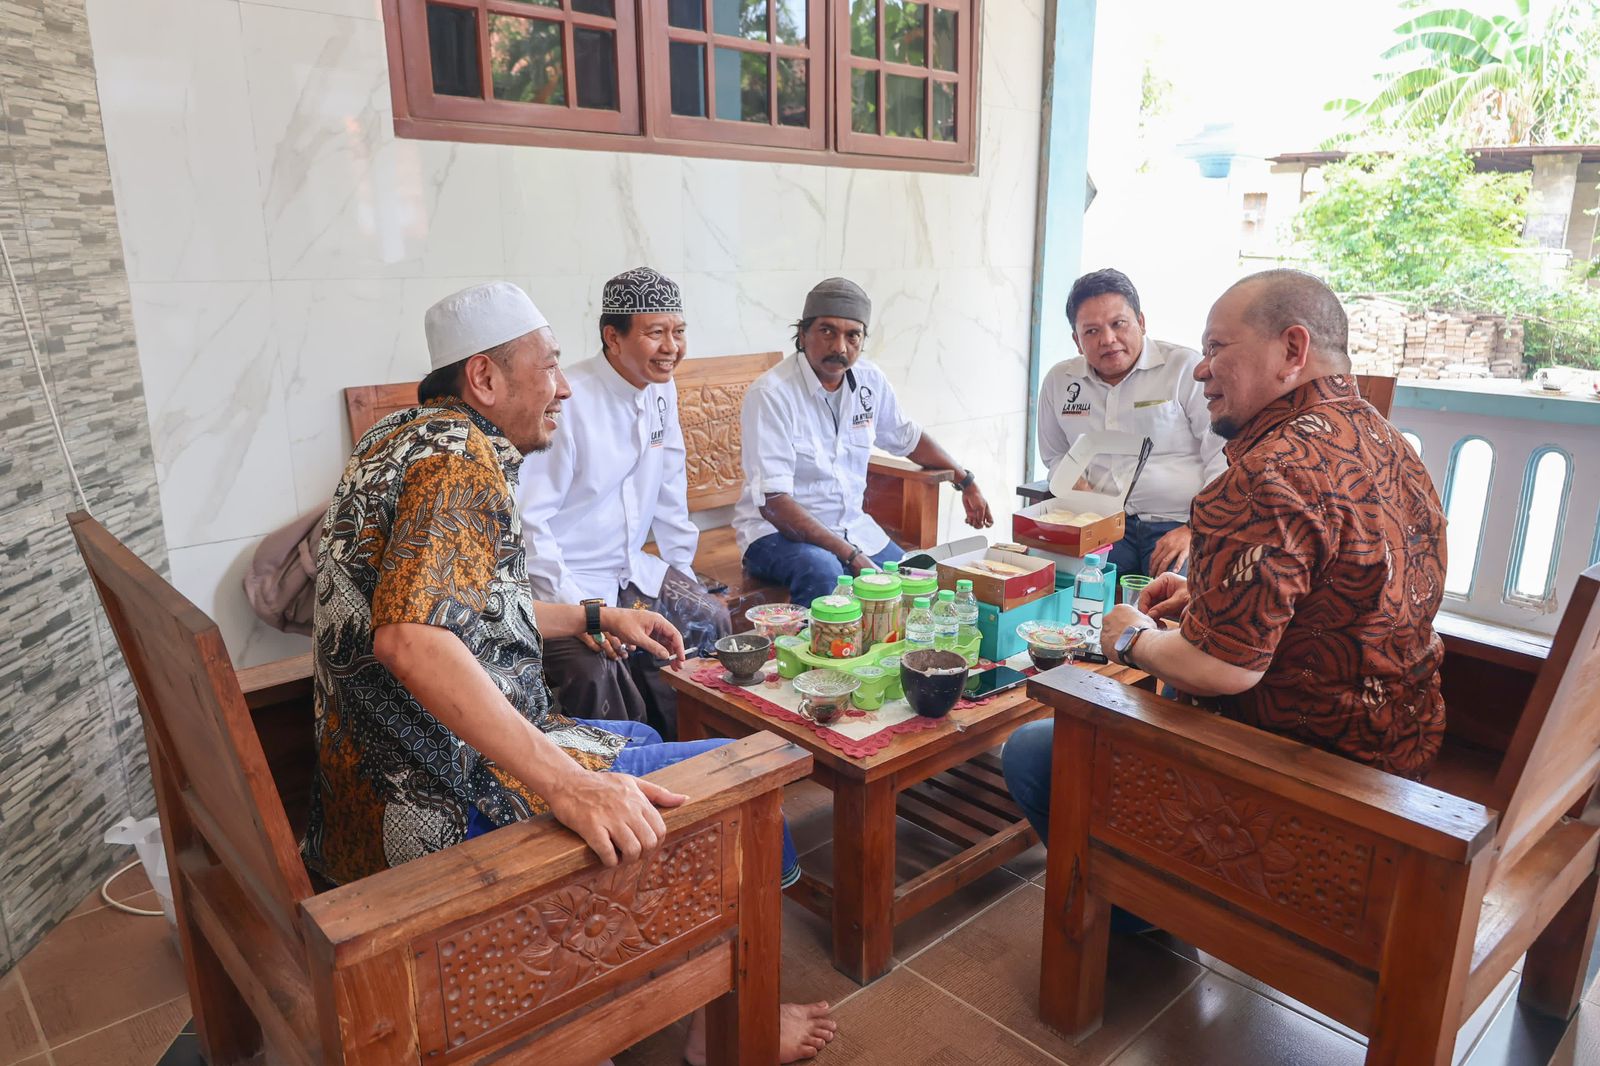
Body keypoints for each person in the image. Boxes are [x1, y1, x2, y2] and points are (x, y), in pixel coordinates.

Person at [306, 281, 835, 1064]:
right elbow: (412, 642)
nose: (563, 386)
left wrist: (595, 616)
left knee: (628, 731)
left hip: (376, 783)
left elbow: (475, 606)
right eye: (548, 368)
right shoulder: (461, 463)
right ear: (484, 379)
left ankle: (688, 964)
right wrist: (567, 785)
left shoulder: (409, 438)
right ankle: (726, 1028)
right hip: (437, 798)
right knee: (749, 793)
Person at [1005, 269, 1447, 847]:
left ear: (1292, 350)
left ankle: (1145, 912)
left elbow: (1220, 670)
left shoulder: (1269, 473)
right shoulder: (1387, 442)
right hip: (1395, 756)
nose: (1201, 368)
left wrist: (1129, 637)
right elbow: (1346, 589)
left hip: (1295, 782)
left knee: (1035, 750)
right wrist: (1214, 597)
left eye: (1217, 349)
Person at [519, 267, 732, 739]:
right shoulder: (566, 401)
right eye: (655, 333)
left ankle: (700, 753)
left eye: (678, 332)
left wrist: (682, 573)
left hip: (631, 567)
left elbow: (671, 484)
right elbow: (531, 521)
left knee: (707, 615)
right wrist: (579, 611)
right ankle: (632, 779)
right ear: (612, 338)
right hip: (569, 579)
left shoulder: (661, 389)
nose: (671, 347)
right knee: (595, 667)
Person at [735, 277, 994, 607]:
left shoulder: (870, 382)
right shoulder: (772, 394)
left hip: (854, 529)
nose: (840, 347)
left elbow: (908, 438)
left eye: (852, 335)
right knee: (825, 570)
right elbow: (774, 503)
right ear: (802, 334)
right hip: (775, 536)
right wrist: (850, 556)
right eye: (827, 331)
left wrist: (965, 479)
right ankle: (811, 658)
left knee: (915, 584)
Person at [1037, 268, 1226, 577]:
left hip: (1177, 523)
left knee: (1172, 600)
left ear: (1141, 322)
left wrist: (1198, 528)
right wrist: (1073, 483)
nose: (1108, 340)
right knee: (1066, 587)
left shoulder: (1184, 368)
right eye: (1092, 331)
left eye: (1118, 324)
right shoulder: (1061, 380)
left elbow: (1222, 453)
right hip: (1099, 523)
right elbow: (1055, 454)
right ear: (1076, 339)